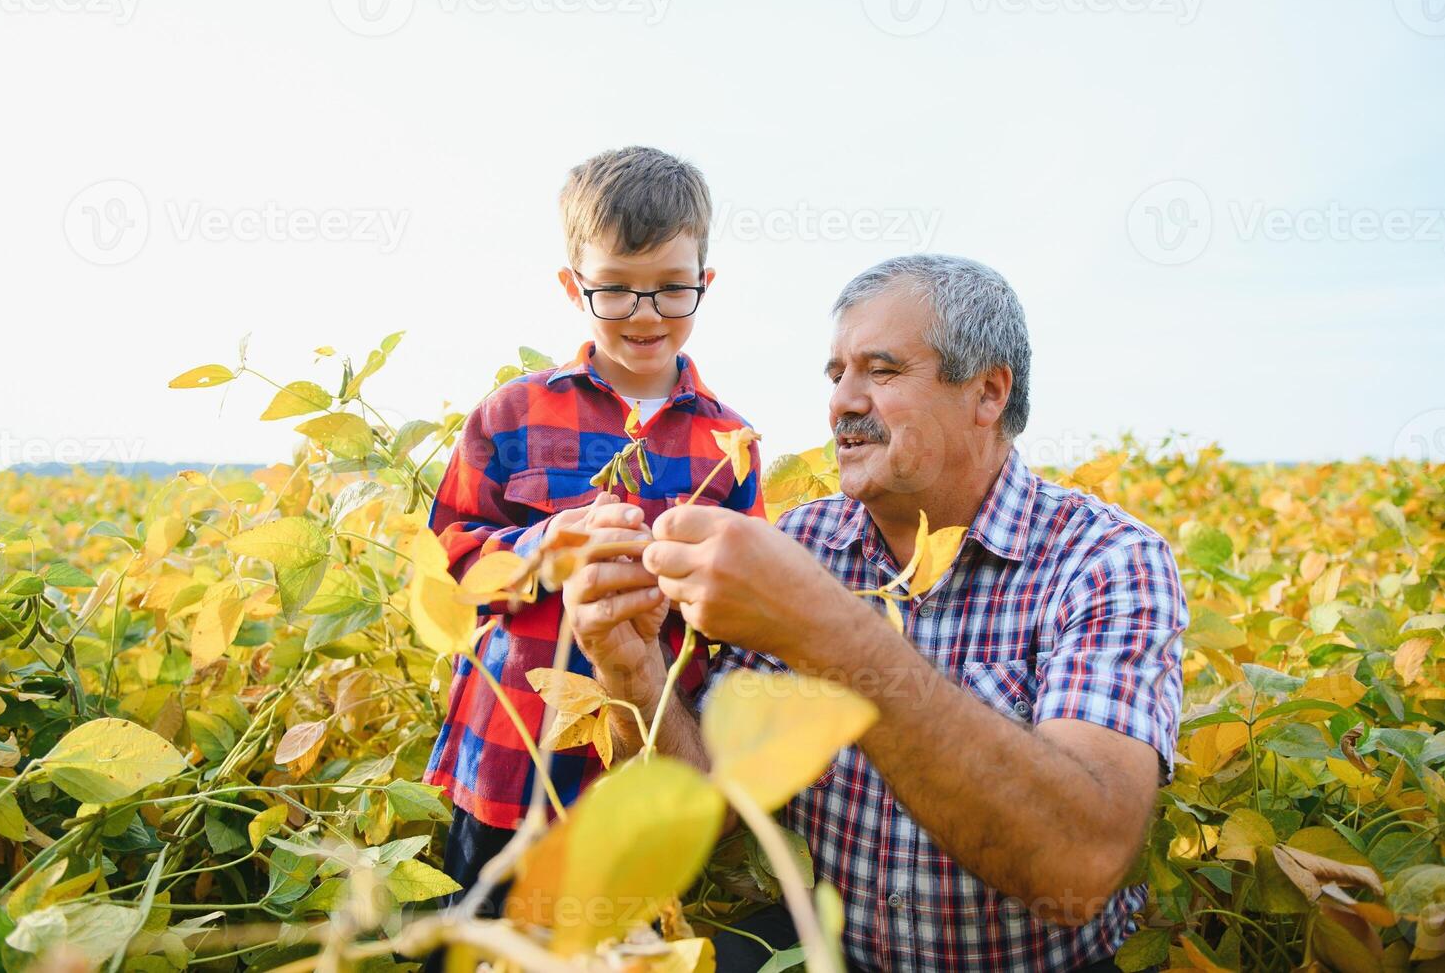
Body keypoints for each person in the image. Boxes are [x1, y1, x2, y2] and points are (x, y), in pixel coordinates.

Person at [561, 254, 1187, 971]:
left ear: (986, 394)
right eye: (835, 375)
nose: (842, 402)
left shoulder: (1105, 561)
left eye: (881, 370)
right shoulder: (800, 542)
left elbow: (1079, 866)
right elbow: (709, 811)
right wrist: (632, 671)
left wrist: (825, 627)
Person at [422, 146, 765, 915]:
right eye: (614, 290)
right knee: (480, 944)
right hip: (509, 769)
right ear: (573, 285)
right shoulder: (512, 414)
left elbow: (746, 614)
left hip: (634, 773)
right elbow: (444, 559)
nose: (644, 315)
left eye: (670, 289)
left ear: (703, 283)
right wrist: (538, 549)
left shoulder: (729, 444)